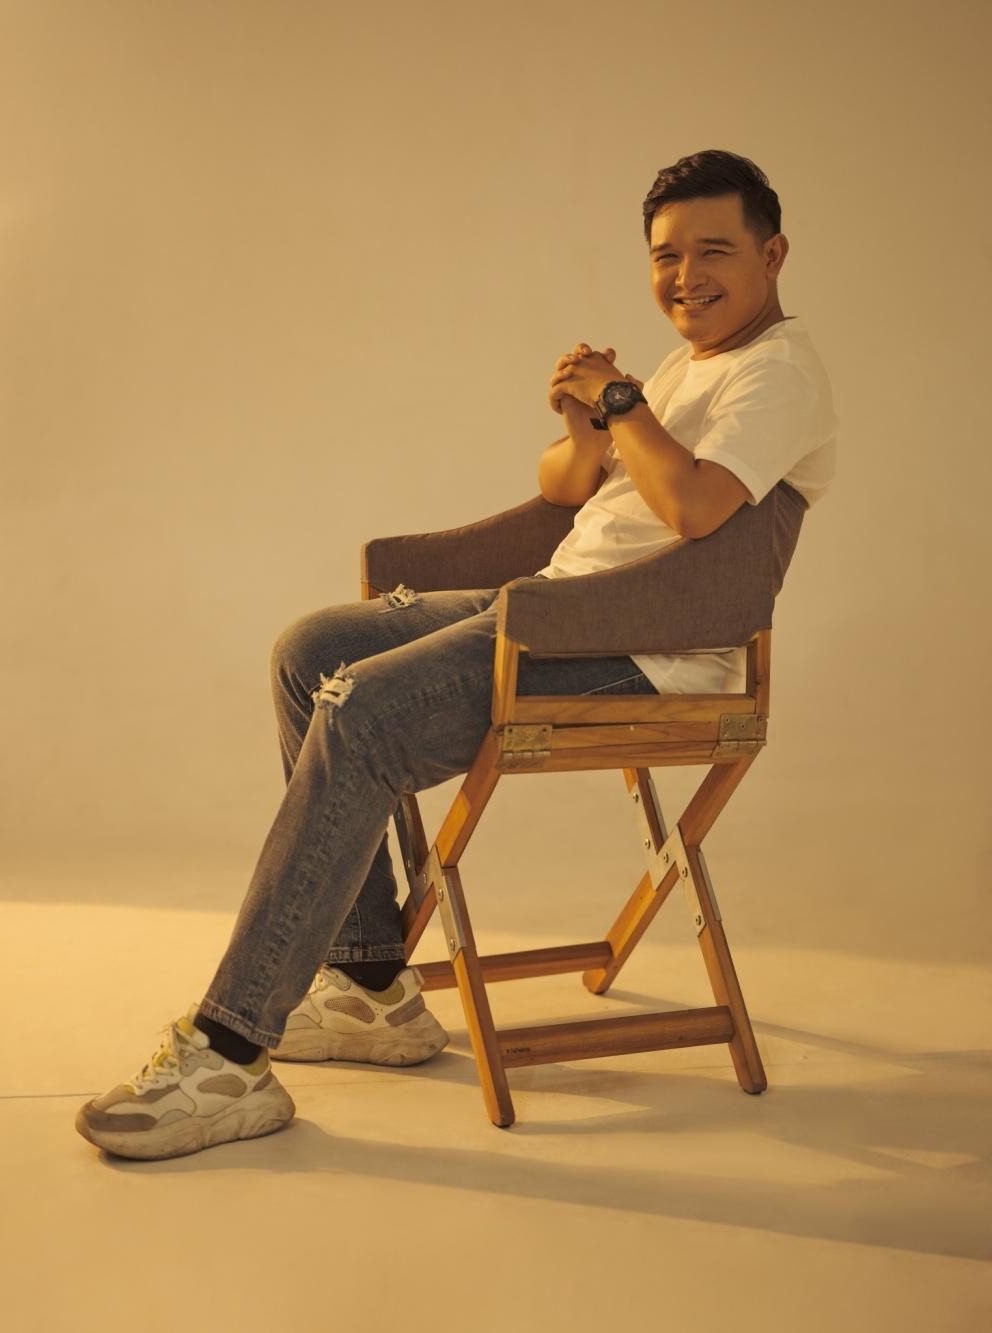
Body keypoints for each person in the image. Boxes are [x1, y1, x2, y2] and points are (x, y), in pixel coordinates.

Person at [75, 147, 837, 1160]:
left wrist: (624, 404)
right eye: (665, 256)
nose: (685, 276)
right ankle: (370, 986)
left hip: (645, 649)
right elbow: (567, 492)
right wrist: (589, 423)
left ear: (772, 254)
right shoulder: (687, 365)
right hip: (558, 605)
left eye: (713, 251)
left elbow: (696, 508)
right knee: (311, 652)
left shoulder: (781, 372)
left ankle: (229, 1051)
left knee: (362, 710)